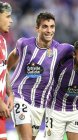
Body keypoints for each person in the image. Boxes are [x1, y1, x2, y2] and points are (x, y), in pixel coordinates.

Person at [7, 12, 78, 140]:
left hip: (40, 104)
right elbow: (13, 55)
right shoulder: (24, 44)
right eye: (45, 26)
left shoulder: (62, 49)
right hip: (20, 96)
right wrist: (5, 71)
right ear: (37, 28)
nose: (49, 30)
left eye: (52, 27)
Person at [0, 1, 14, 140]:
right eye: (7, 16)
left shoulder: (2, 41)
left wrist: (10, 93)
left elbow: (4, 69)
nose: (11, 21)